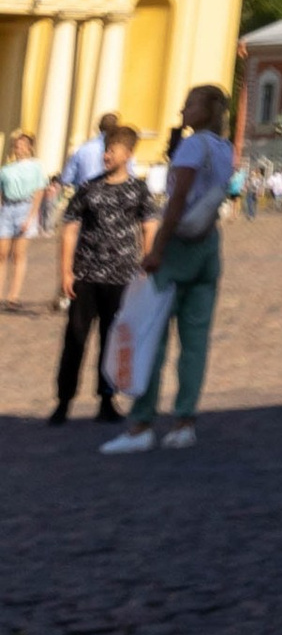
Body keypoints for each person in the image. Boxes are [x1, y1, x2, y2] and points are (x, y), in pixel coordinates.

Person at [102, 82, 235, 455]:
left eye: (190, 104)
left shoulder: (193, 145)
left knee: (153, 333)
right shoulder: (225, 148)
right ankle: (184, 422)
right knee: (195, 341)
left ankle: (142, 423)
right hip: (209, 245)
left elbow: (177, 200)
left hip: (178, 245)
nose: (182, 111)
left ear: (206, 111)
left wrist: (157, 247)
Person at [51, 118, 149, 423]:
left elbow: (149, 227)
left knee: (113, 340)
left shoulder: (138, 190)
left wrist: (145, 266)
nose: (107, 156)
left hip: (121, 277)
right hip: (87, 275)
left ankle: (107, 399)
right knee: (76, 338)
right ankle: (64, 401)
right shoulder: (88, 188)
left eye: (114, 151)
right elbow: (69, 229)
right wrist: (66, 272)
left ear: (128, 154)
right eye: (106, 150)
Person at [0, 125, 43, 309]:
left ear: (30, 147)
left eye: (23, 145)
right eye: (17, 145)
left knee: (18, 254)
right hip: (7, 209)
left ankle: (13, 296)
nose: (19, 148)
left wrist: (31, 217)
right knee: (2, 254)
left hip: (25, 208)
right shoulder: (6, 169)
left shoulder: (36, 167)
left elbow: (39, 192)